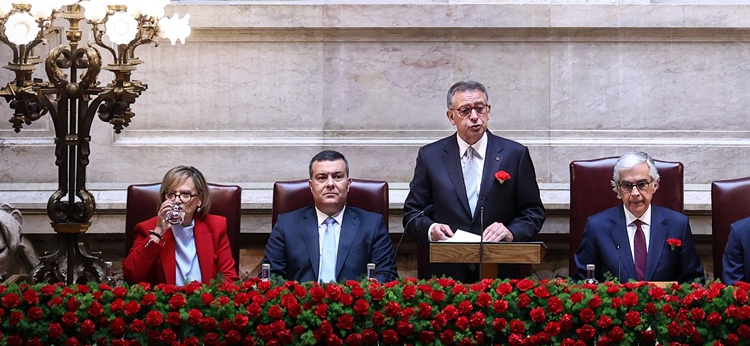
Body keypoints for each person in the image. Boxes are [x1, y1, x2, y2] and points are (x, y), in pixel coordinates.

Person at [403, 80, 545, 281]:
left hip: (500, 273)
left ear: (489, 111)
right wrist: (431, 229)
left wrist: (511, 231)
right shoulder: (431, 156)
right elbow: (412, 213)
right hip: (446, 274)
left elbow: (533, 212)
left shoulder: (514, 154)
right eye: (465, 110)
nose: (474, 117)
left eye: (480, 108)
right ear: (451, 117)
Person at [264, 150, 397, 283]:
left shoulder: (372, 225)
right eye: (322, 178)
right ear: (311, 186)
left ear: (348, 184)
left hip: (355, 296)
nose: (330, 184)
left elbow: (386, 274)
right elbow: (271, 275)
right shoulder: (286, 225)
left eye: (337, 176)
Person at [573, 152, 704, 282]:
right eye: (627, 186)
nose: (635, 193)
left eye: (642, 184)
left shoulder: (678, 225)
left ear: (655, 185)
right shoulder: (596, 227)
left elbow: (694, 281)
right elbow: (581, 283)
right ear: (618, 189)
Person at [123, 166, 238, 285]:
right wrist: (158, 232)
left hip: (205, 296)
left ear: (200, 200)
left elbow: (229, 278)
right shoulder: (148, 229)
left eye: (185, 194)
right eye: (171, 194)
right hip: (165, 297)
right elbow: (132, 275)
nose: (177, 200)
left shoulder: (216, 226)